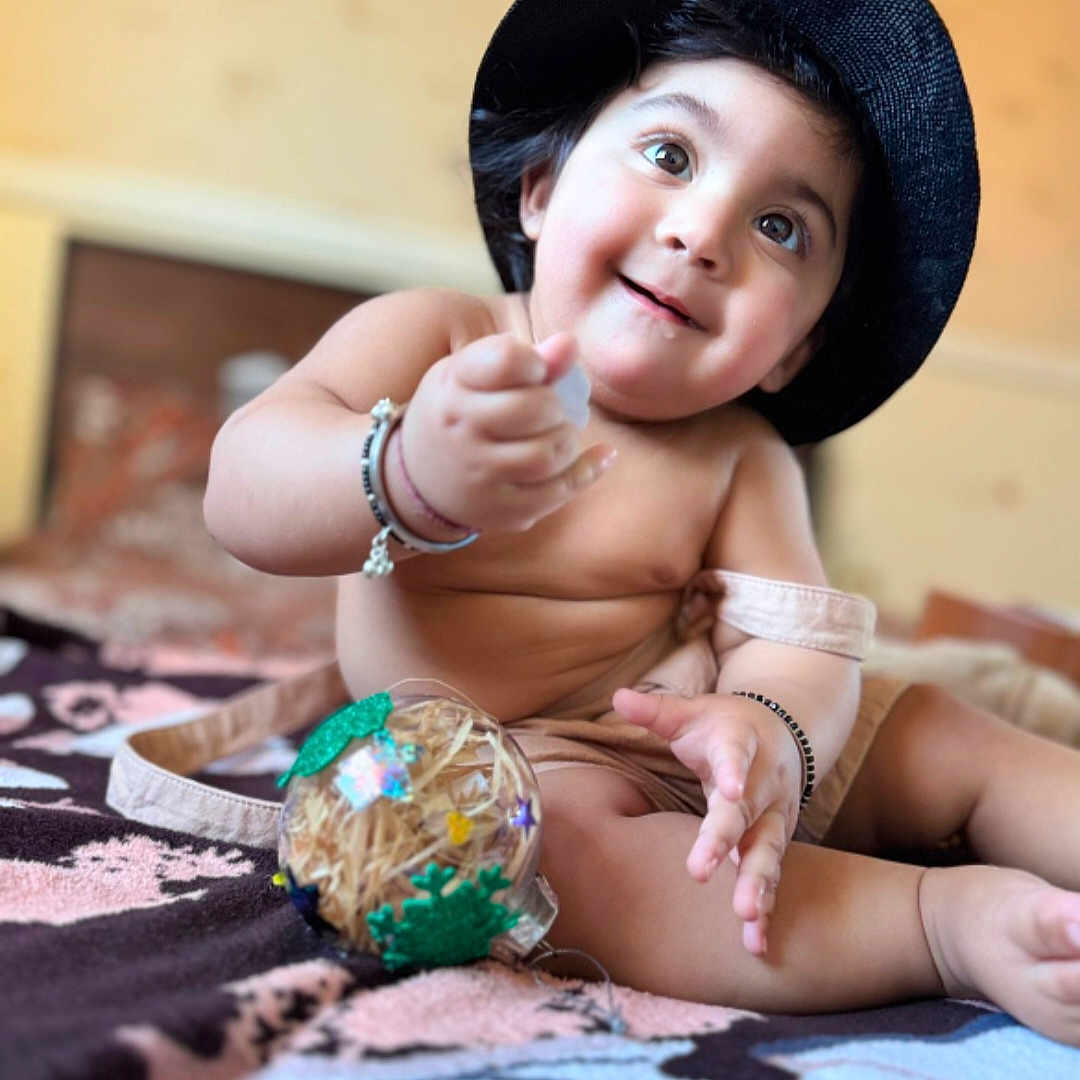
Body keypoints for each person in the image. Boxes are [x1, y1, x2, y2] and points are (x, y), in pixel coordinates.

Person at [203, 0, 1080, 1047]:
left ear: (794, 349)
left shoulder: (742, 455)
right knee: (571, 867)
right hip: (528, 769)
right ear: (540, 188)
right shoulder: (433, 343)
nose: (702, 234)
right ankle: (943, 926)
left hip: (726, 735)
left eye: (778, 227)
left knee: (948, 737)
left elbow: (797, 642)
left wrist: (767, 728)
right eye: (670, 153)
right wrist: (404, 470)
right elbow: (243, 491)